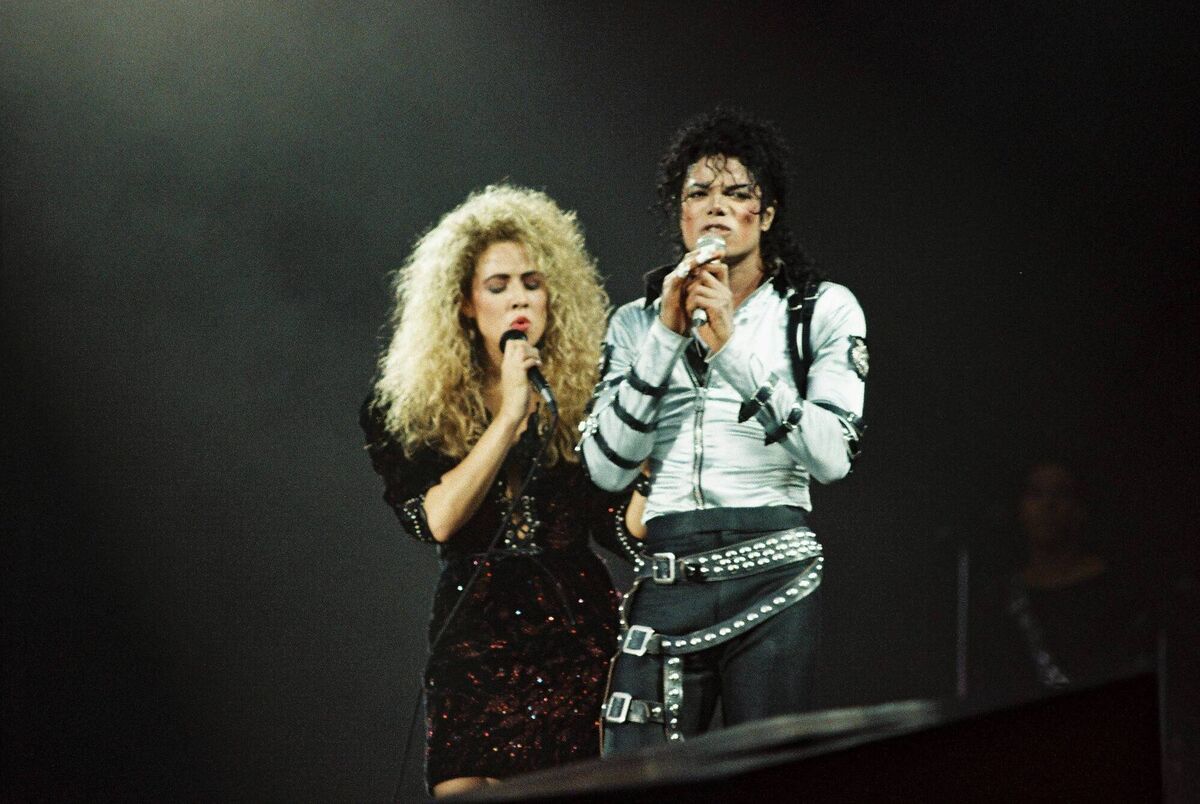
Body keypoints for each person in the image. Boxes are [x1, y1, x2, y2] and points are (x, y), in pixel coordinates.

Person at [579, 109, 868, 752]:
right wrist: (666, 335)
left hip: (772, 573)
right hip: (667, 574)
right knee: (632, 778)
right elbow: (604, 470)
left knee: (763, 774)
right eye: (698, 194)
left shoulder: (820, 308)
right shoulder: (634, 322)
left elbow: (832, 458)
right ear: (679, 214)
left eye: (737, 194)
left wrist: (732, 346)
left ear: (765, 215)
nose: (716, 209)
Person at [360, 185, 638, 797]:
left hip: (575, 626)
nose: (519, 298)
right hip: (475, 630)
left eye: (532, 282)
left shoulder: (587, 393)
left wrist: (653, 455)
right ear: (463, 303)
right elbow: (437, 520)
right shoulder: (408, 409)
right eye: (498, 285)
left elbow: (616, 524)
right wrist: (509, 417)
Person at [969, 460, 1154, 705]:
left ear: (1081, 508)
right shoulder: (1000, 596)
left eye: (1061, 494)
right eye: (1036, 494)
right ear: (1019, 508)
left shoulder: (1118, 591)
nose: (1048, 505)